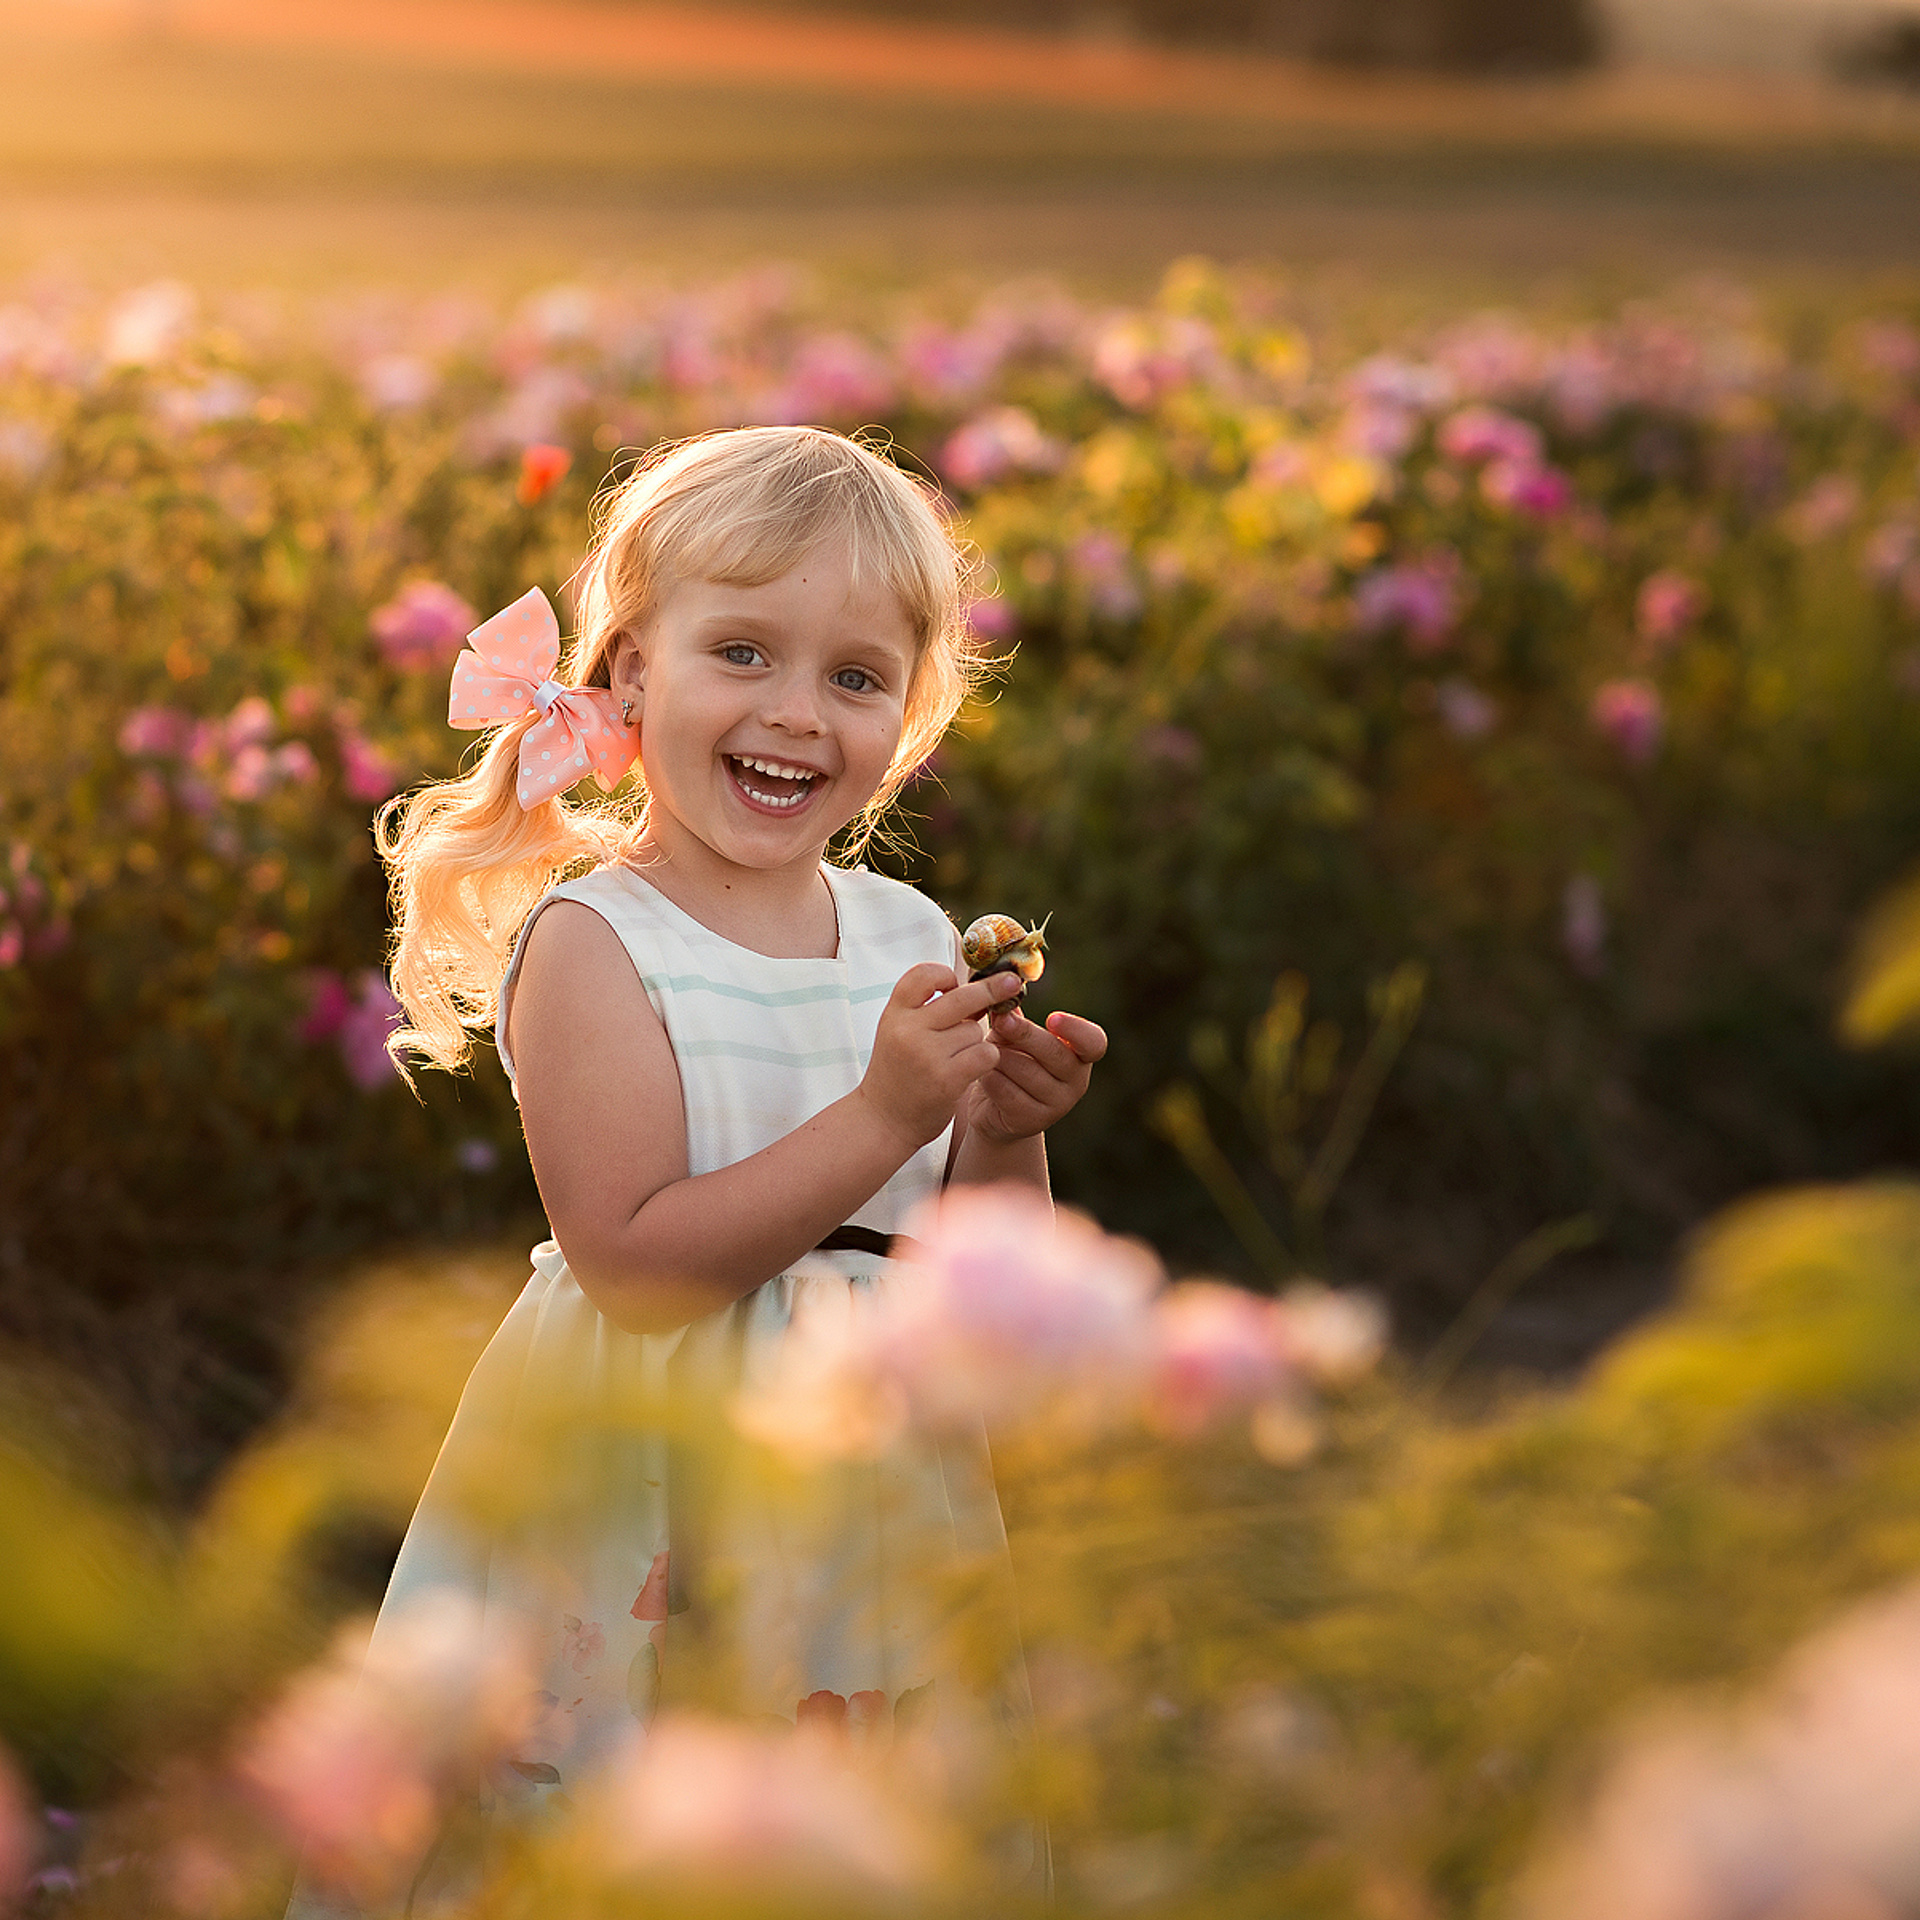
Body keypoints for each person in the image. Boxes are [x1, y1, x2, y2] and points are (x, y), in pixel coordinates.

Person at [295, 426, 1105, 1913]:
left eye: (857, 677)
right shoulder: (600, 946)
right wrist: (881, 1109)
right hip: (654, 1487)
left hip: (865, 1481)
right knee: (630, 1835)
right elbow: (640, 1269)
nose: (797, 714)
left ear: (909, 721)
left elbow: (963, 1289)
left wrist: (1001, 1131)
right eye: (742, 652)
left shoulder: (911, 940)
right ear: (625, 679)